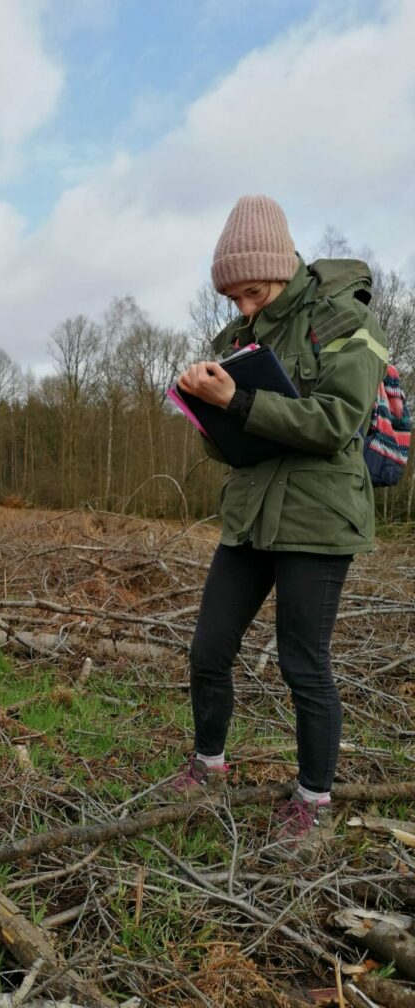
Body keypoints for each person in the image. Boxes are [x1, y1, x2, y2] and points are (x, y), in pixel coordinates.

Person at [172, 195, 387, 858]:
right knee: (208, 649)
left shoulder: (343, 322)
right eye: (233, 297)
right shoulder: (235, 341)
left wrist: (238, 398)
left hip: (320, 521)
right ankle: (208, 764)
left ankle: (313, 802)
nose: (244, 309)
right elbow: (223, 444)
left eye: (254, 292)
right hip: (250, 516)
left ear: (282, 270)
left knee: (302, 661)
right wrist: (207, 412)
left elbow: (332, 425)